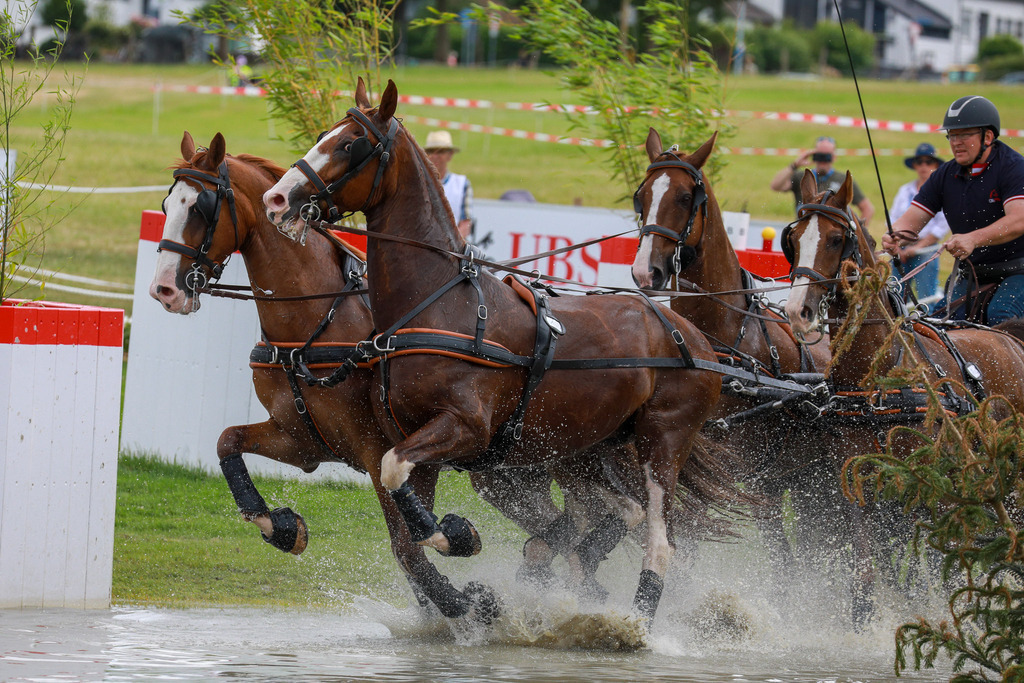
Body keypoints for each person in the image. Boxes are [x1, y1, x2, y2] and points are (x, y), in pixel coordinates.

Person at [882, 95, 1024, 324]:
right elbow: (912, 220)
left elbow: (1019, 220)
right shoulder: (944, 175)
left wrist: (973, 239)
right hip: (973, 273)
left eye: (964, 134)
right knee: (939, 323)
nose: (955, 142)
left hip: (1018, 270)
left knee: (1001, 316)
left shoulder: (1014, 167)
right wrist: (894, 235)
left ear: (987, 136)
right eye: (952, 135)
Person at [891, 142, 950, 304]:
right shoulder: (904, 191)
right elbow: (893, 219)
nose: (924, 166)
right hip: (900, 247)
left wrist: (916, 249)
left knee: (926, 299)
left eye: (928, 162)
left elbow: (940, 228)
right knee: (892, 295)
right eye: (920, 162)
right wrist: (896, 246)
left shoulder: (942, 192)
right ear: (915, 166)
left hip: (927, 249)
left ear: (936, 165)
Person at [770, 135, 875, 227]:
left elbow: (867, 209)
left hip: (831, 238)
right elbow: (776, 186)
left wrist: (857, 233)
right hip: (803, 232)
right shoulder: (803, 177)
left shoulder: (842, 180)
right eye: (820, 156)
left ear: (834, 157)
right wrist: (794, 165)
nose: (823, 161)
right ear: (813, 155)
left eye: (827, 157)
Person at [424, 130, 476, 241]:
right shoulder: (418, 183)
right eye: (431, 151)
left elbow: (465, 223)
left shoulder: (463, 184)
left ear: (450, 155)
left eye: (440, 151)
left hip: (453, 249)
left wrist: (449, 244)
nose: (434, 156)